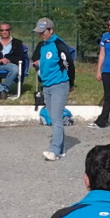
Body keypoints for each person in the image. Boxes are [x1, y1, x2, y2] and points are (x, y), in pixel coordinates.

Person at [32, 17, 74, 160]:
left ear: (51, 30)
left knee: (56, 118)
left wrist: (71, 83)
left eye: (43, 32)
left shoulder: (59, 45)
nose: (41, 35)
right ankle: (61, 148)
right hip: (47, 85)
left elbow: (69, 64)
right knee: (52, 116)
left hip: (59, 85)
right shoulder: (42, 46)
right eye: (39, 32)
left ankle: (54, 150)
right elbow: (36, 60)